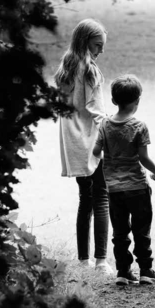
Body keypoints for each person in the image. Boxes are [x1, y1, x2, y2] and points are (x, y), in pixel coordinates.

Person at [93, 74, 155, 285]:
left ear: (114, 101)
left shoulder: (105, 124)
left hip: (114, 190)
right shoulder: (139, 126)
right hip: (137, 188)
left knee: (120, 232)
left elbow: (96, 151)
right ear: (137, 101)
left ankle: (123, 272)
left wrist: (112, 158)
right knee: (141, 230)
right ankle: (145, 270)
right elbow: (143, 158)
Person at [54, 18, 112, 273]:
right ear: (85, 41)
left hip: (72, 143)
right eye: (98, 45)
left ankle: (83, 259)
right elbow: (97, 111)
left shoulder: (65, 68)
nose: (100, 51)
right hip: (92, 140)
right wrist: (113, 135)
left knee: (84, 200)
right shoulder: (90, 70)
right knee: (101, 198)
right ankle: (100, 260)